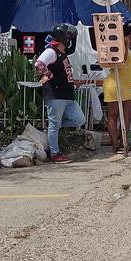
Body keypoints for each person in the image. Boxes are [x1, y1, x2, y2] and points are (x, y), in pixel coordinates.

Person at [35, 24, 85, 163]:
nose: (70, 40)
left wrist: (74, 82)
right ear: (64, 38)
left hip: (67, 94)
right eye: (68, 37)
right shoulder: (51, 52)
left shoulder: (62, 54)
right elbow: (38, 65)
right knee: (54, 124)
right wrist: (48, 74)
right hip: (56, 94)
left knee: (79, 119)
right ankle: (55, 154)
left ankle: (53, 128)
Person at [103, 22, 131, 154]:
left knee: (128, 115)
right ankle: (115, 144)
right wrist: (125, 44)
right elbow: (120, 61)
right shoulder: (117, 48)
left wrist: (128, 44)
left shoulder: (128, 47)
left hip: (127, 86)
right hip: (114, 84)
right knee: (113, 115)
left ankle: (124, 142)